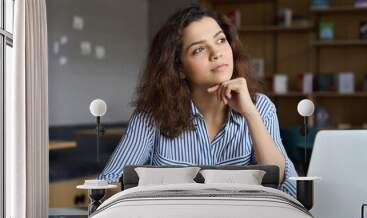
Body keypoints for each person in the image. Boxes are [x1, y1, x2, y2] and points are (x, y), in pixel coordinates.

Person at [97, 5, 298, 197]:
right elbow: (109, 182)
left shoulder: (260, 107)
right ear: (180, 69)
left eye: (220, 40)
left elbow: (281, 181)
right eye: (199, 50)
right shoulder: (152, 115)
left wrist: (250, 114)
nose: (216, 53)